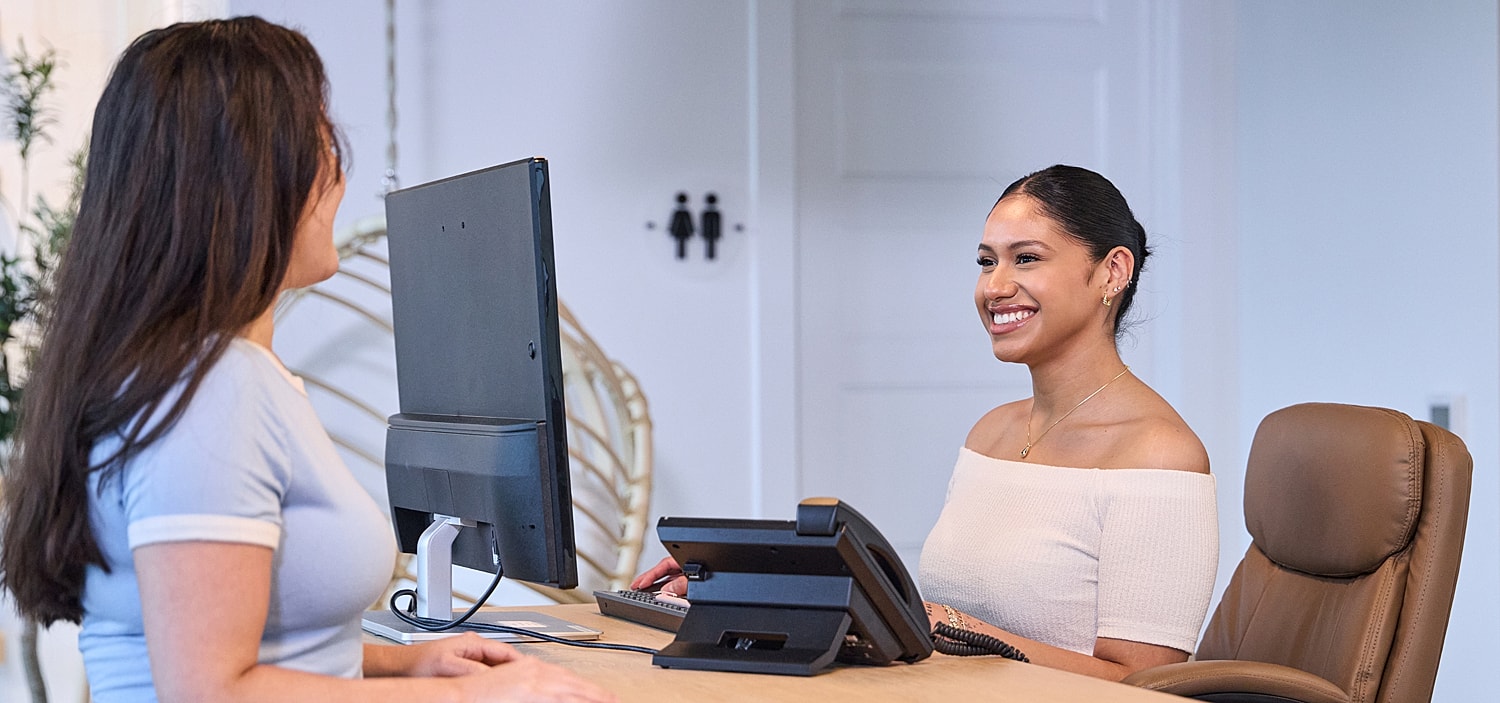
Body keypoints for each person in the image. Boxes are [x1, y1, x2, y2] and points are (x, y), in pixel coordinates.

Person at [0, 17, 612, 703]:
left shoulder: (206, 376)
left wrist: (407, 664)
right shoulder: (209, 393)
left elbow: (255, 645)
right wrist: (475, 696)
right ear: (250, 178)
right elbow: (210, 690)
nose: (339, 179)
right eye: (322, 147)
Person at [632, 164, 1217, 682]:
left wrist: (962, 630)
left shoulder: (1158, 453)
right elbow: (928, 621)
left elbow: (1144, 684)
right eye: (987, 262)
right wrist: (744, 583)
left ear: (1113, 271)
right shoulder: (992, 433)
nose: (995, 287)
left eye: (1027, 258)